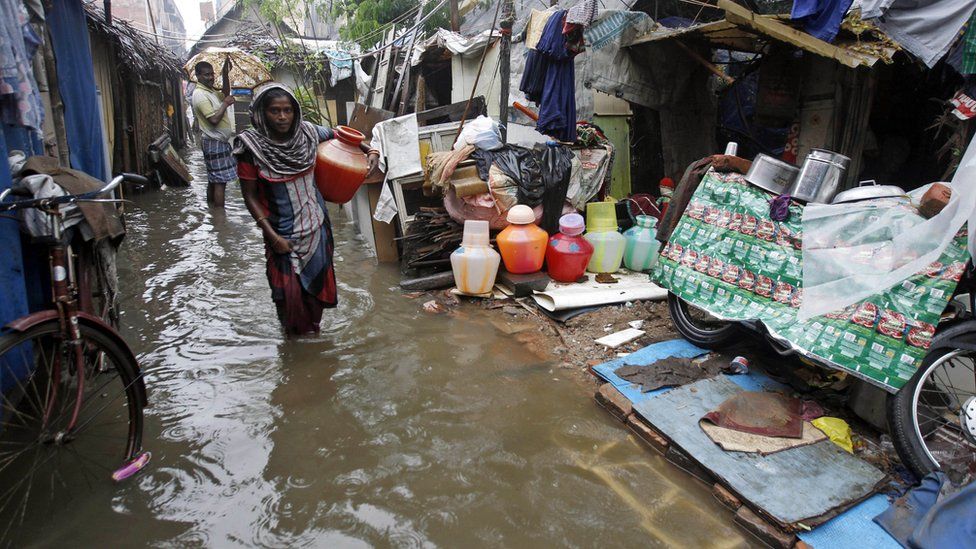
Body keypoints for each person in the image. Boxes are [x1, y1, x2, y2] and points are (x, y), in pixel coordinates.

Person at [233, 83, 379, 335]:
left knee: (316, 293)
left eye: (287, 110)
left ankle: (315, 339)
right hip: (280, 234)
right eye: (275, 111)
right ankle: (293, 348)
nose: (282, 117)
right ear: (261, 113)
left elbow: (343, 136)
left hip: (316, 229)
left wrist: (372, 150)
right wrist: (273, 236)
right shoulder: (250, 148)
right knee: (286, 297)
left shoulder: (309, 133)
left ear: (295, 111)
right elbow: (250, 197)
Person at [191, 59, 236, 207]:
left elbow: (225, 93)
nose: (210, 77)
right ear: (198, 76)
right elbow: (214, 119)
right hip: (214, 141)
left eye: (212, 74)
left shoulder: (210, 92)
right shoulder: (200, 94)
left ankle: (212, 211)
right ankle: (219, 218)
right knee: (220, 181)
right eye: (206, 75)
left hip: (216, 141)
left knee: (214, 178)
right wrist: (225, 103)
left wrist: (225, 73)